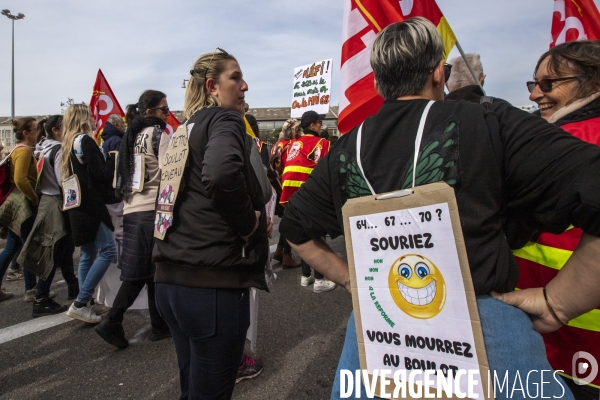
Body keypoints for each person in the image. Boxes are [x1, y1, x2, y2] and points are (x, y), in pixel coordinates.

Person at [280, 17, 600, 400]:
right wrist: (558, 303)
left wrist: (354, 283)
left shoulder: (348, 145)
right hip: (485, 330)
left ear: (380, 82)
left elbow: (295, 227)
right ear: (437, 73)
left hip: (379, 336)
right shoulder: (488, 119)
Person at [153, 49, 269, 399]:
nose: (244, 85)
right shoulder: (225, 120)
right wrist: (249, 223)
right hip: (211, 284)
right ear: (212, 86)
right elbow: (220, 175)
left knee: (192, 387)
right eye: (235, 77)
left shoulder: (182, 131)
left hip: (170, 281)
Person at [512, 40, 600, 400]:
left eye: (549, 84)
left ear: (593, 83)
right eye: (533, 84)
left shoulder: (556, 143)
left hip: (556, 328)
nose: (535, 95)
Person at [94, 90, 171, 348]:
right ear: (149, 113)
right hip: (153, 209)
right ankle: (113, 320)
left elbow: (119, 179)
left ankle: (159, 325)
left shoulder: (129, 137)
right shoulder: (158, 135)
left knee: (149, 270)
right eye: (163, 110)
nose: (167, 114)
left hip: (132, 209)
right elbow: (170, 174)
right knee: (142, 272)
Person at [17, 115, 79, 316]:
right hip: (56, 201)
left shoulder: (42, 147)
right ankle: (41, 297)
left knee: (62, 248)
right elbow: (64, 181)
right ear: (56, 130)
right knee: (57, 249)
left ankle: (72, 286)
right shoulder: (59, 149)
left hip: (46, 199)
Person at [61, 104, 117, 324]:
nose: (95, 119)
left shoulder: (68, 144)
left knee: (87, 253)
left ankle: (86, 303)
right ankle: (81, 302)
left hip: (76, 206)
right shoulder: (85, 141)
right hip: (91, 206)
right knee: (108, 250)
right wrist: (113, 158)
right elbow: (102, 174)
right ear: (84, 118)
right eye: (91, 116)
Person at [280, 110, 336, 293]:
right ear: (313, 125)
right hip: (308, 193)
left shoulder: (293, 143)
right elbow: (329, 169)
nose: (321, 126)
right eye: (319, 123)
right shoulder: (323, 143)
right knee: (317, 234)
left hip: (288, 192)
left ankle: (306, 276)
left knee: (304, 232)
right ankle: (319, 279)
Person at [0, 118, 41, 302]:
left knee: (12, 247)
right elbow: (21, 179)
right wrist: (33, 198)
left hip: (15, 204)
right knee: (28, 247)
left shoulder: (17, 150)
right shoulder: (24, 151)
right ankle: (30, 290)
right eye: (35, 130)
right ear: (26, 133)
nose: (38, 133)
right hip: (23, 205)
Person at [271, 119, 301, 269]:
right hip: (288, 186)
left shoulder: (277, 144)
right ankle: (286, 255)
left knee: (286, 219)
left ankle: (279, 250)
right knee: (291, 220)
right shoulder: (292, 145)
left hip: (277, 185)